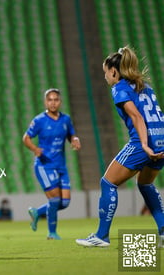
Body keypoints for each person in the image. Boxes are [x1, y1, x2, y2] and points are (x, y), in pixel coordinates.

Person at [76, 46, 164, 247]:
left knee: (108, 183)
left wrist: (144, 144)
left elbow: (137, 117)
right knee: (145, 184)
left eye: (105, 72)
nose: (105, 77)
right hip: (161, 139)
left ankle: (101, 236)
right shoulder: (144, 86)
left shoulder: (119, 88)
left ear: (114, 71)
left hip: (145, 142)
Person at [23, 88, 81, 240]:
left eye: (56, 100)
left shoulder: (66, 119)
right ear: (45, 102)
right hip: (44, 166)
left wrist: (75, 140)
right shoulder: (39, 120)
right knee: (54, 200)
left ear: (60, 102)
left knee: (65, 202)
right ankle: (52, 233)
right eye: (50, 100)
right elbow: (26, 138)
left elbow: (71, 134)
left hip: (61, 166)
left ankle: (37, 212)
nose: (53, 102)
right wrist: (35, 149)